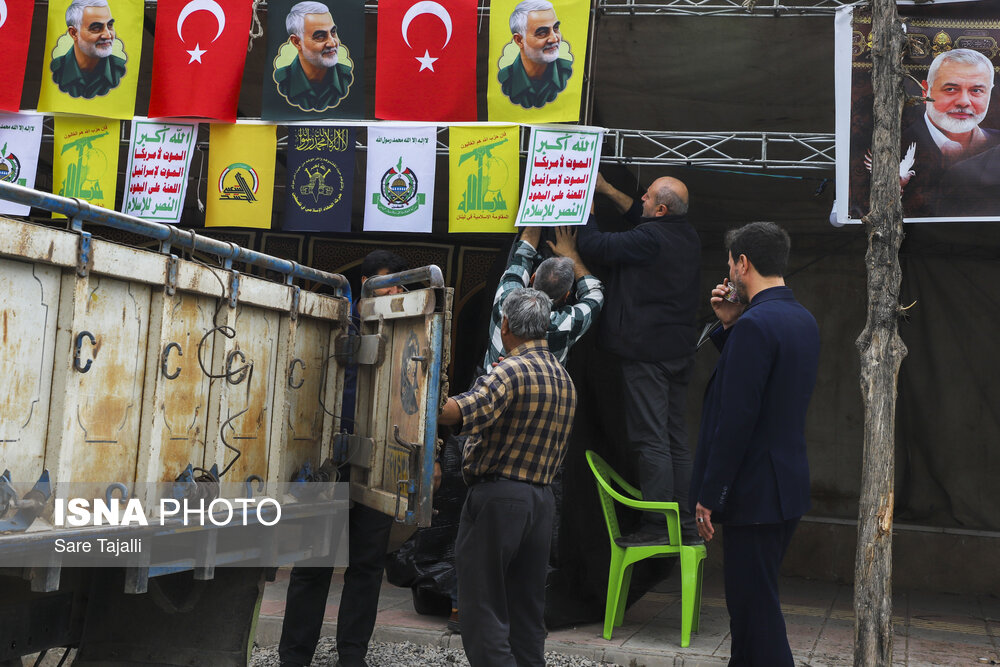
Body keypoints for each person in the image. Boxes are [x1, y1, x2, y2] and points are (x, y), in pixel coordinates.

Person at [690, 222, 820, 666]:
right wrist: (730, 327)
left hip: (754, 492)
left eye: (729, 264)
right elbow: (766, 389)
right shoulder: (802, 318)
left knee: (754, 610)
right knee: (748, 611)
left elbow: (738, 418)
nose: (727, 275)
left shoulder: (757, 325)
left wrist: (710, 494)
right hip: (785, 485)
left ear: (743, 264)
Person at [279, 251, 406, 667]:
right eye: (390, 284)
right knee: (313, 563)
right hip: (329, 463)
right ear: (367, 284)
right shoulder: (335, 325)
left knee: (368, 565)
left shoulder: (405, 334)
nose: (397, 292)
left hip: (379, 462)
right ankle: (294, 656)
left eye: (402, 285)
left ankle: (353, 656)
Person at [439, 288, 577, 667]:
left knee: (481, 606)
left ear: (505, 325)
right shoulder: (563, 376)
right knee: (526, 608)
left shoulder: (510, 369)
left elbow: (465, 410)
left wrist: (424, 394)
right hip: (541, 501)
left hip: (500, 497)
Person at [576, 173, 701, 546]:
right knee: (676, 438)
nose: (639, 199)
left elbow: (596, 246)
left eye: (645, 197)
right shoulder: (686, 234)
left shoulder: (649, 238)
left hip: (647, 354)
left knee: (651, 440)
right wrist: (608, 188)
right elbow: (640, 220)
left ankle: (658, 526)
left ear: (661, 209)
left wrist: (587, 209)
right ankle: (686, 526)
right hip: (677, 353)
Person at [482, 225, 604, 372]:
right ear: (566, 295)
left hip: (494, 389)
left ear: (532, 278)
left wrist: (537, 213)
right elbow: (595, 293)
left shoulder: (505, 301)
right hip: (541, 393)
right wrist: (572, 255)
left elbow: (522, 255)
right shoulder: (566, 324)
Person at [898, 48, 999, 217]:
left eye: (976, 90)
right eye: (951, 89)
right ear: (925, 91)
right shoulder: (894, 147)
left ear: (989, 93)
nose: (964, 102)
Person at [275, 1, 354, 112]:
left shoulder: (347, 78)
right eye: (320, 36)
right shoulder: (281, 82)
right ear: (297, 42)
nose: (332, 43)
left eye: (333, 32)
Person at [498, 0, 572, 109]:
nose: (554, 38)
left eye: (556, 28)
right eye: (542, 33)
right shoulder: (505, 79)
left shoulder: (568, 72)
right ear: (519, 40)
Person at [51, 0, 126, 99]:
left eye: (110, 25)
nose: (108, 35)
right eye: (96, 28)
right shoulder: (56, 70)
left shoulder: (120, 69)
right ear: (74, 33)